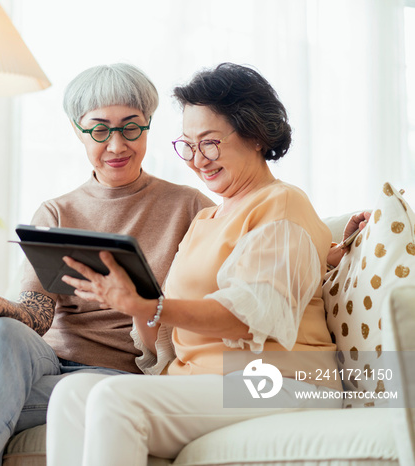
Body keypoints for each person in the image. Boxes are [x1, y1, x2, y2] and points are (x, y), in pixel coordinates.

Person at [45, 63, 350, 466]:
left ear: (255, 135)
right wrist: (134, 305)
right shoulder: (207, 219)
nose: (198, 160)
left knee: (115, 399)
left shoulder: (280, 202)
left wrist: (146, 306)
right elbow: (168, 333)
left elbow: (249, 315)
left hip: (280, 381)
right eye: (188, 145)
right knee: (72, 393)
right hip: (207, 378)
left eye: (209, 142)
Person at [0, 63, 214, 466]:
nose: (116, 145)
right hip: (45, 364)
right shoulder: (56, 212)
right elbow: (35, 316)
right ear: (78, 131)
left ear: (149, 125)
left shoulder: (189, 207)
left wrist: (319, 248)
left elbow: (241, 256)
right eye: (100, 130)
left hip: (118, 377)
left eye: (131, 127)